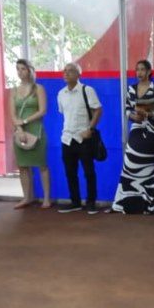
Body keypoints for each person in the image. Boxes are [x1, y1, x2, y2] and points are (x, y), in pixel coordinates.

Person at [111, 60, 154, 214]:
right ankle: (124, 203)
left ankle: (149, 205)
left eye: (142, 69)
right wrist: (133, 117)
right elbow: (127, 109)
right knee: (129, 165)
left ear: (149, 71)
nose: (139, 72)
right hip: (136, 129)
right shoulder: (131, 89)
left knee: (150, 168)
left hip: (152, 131)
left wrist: (148, 114)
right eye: (137, 69)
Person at [57, 62, 102, 215]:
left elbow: (98, 110)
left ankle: (91, 202)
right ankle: (75, 202)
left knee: (89, 172)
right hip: (67, 138)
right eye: (65, 71)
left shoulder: (87, 90)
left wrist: (90, 129)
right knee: (70, 172)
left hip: (84, 138)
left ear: (78, 75)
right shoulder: (61, 94)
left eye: (70, 71)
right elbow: (64, 114)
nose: (66, 73)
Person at [10, 59, 51, 209]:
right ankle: (27, 197)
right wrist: (19, 129)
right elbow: (13, 115)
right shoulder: (14, 90)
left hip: (36, 129)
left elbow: (42, 111)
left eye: (23, 69)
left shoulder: (38, 88)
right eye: (18, 69)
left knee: (42, 165)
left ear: (30, 70)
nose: (20, 72)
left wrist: (25, 121)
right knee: (23, 166)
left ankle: (46, 198)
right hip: (19, 131)